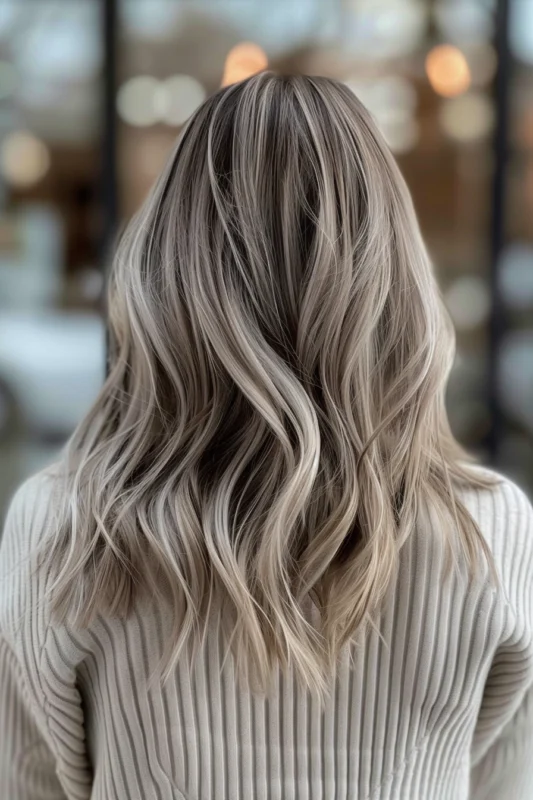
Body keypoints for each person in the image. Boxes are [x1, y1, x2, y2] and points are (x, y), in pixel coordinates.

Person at [1, 72, 532, 800]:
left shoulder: (63, 527)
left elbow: (30, 782)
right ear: (395, 274)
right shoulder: (490, 529)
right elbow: (501, 785)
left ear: (168, 267)